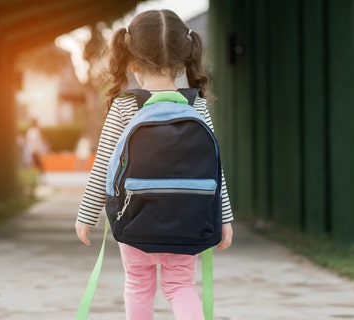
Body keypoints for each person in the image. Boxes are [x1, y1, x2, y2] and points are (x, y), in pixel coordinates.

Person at [74, 9, 234, 320]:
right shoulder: (196, 104)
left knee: (138, 284)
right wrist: (223, 218)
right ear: (182, 61)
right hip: (188, 219)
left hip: (136, 218)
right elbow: (215, 169)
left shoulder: (124, 106)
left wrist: (87, 215)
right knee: (180, 285)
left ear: (131, 59)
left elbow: (103, 168)